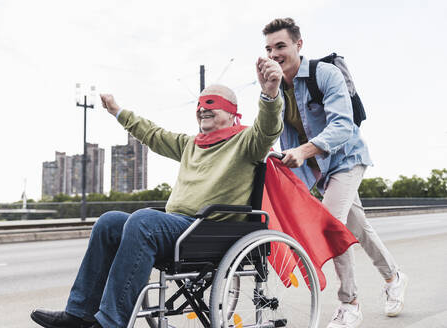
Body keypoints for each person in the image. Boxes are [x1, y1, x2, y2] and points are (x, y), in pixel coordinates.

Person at [30, 57, 284, 328]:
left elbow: (268, 130)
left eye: (213, 104)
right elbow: (152, 134)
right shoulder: (191, 144)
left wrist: (269, 94)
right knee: (108, 222)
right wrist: (118, 111)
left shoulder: (246, 142)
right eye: (200, 105)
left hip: (209, 231)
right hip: (177, 226)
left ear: (233, 112)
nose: (203, 109)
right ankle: (79, 314)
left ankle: (111, 323)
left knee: (143, 221)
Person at [261, 18, 408, 328]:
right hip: (318, 171)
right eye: (269, 48)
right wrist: (269, 93)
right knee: (357, 226)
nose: (274, 54)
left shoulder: (324, 74)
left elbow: (342, 125)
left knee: (329, 226)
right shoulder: (277, 88)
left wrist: (302, 152)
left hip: (346, 159)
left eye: (281, 46)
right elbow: (271, 131)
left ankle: (349, 303)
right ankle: (394, 277)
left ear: (298, 45)